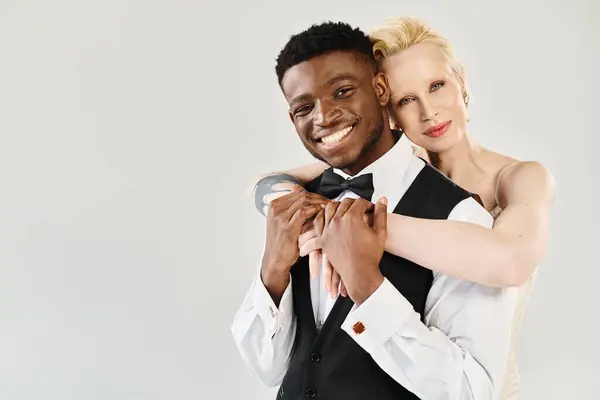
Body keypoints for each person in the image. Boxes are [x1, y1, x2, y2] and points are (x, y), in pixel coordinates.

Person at [249, 17, 556, 400]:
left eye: (437, 85)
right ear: (386, 106)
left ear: (461, 81)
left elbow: (509, 262)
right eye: (406, 100)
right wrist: (304, 221)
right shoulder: (379, 175)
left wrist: (354, 225)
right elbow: (270, 183)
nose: (429, 112)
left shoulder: (516, 178)